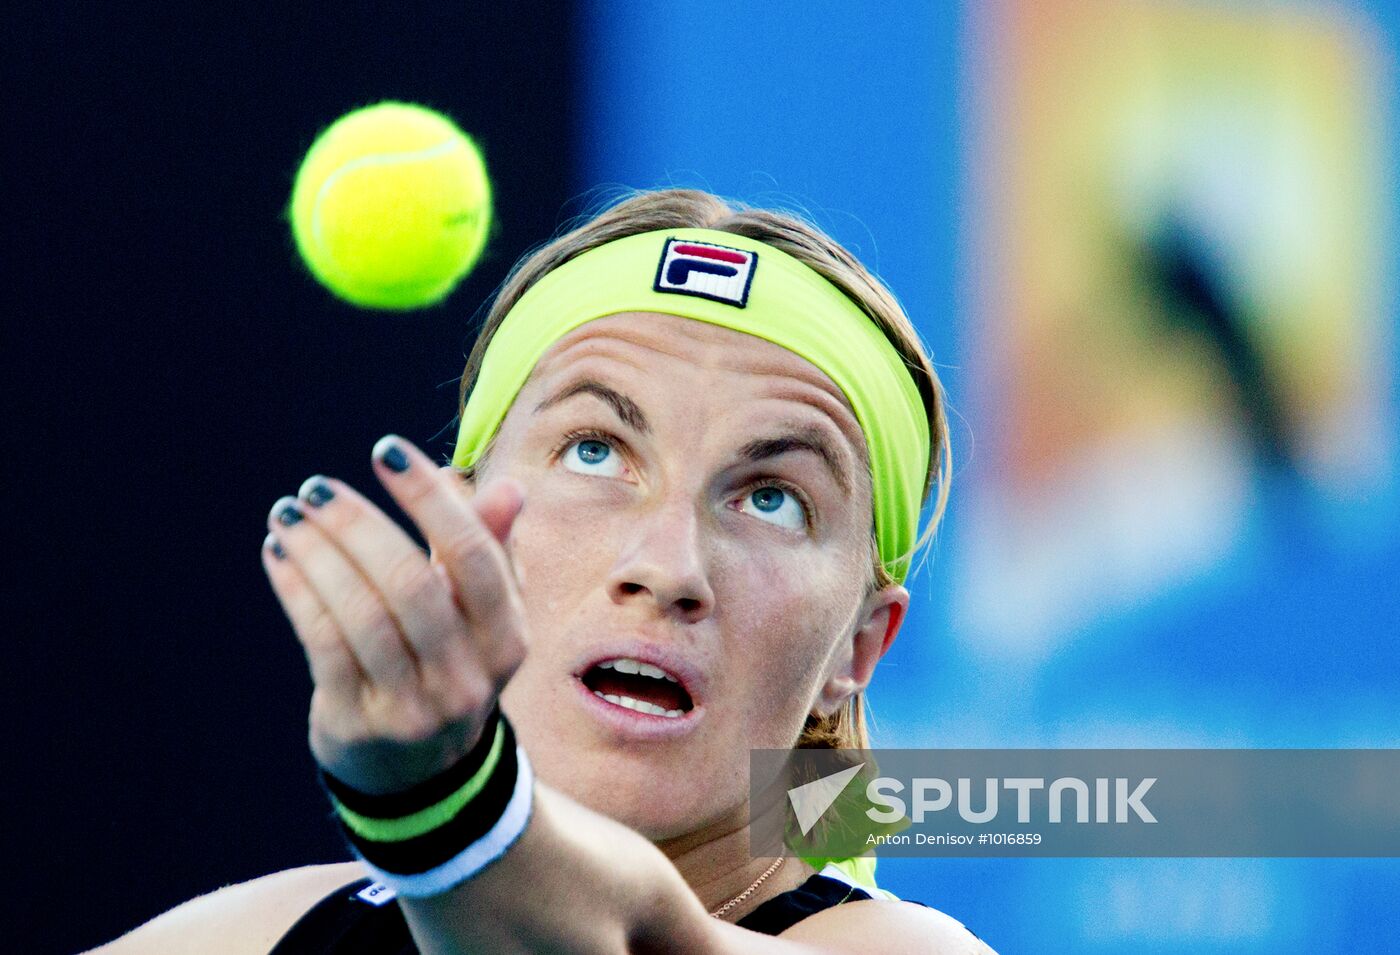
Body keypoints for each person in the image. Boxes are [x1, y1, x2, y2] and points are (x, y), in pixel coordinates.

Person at [91, 189, 993, 953]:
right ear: (456, 535)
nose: (668, 566)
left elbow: (632, 934)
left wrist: (437, 801)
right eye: (595, 451)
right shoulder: (264, 934)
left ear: (859, 647)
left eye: (772, 500)